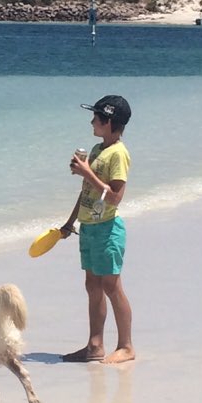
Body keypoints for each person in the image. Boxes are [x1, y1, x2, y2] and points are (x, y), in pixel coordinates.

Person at [60, 95, 134, 365]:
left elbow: (115, 197)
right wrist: (70, 222)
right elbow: (87, 191)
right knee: (92, 286)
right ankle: (95, 345)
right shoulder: (96, 149)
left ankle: (126, 346)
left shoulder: (119, 154)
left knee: (111, 286)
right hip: (89, 227)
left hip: (107, 228)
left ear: (109, 121)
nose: (92, 121)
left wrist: (86, 173)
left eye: (96, 117)